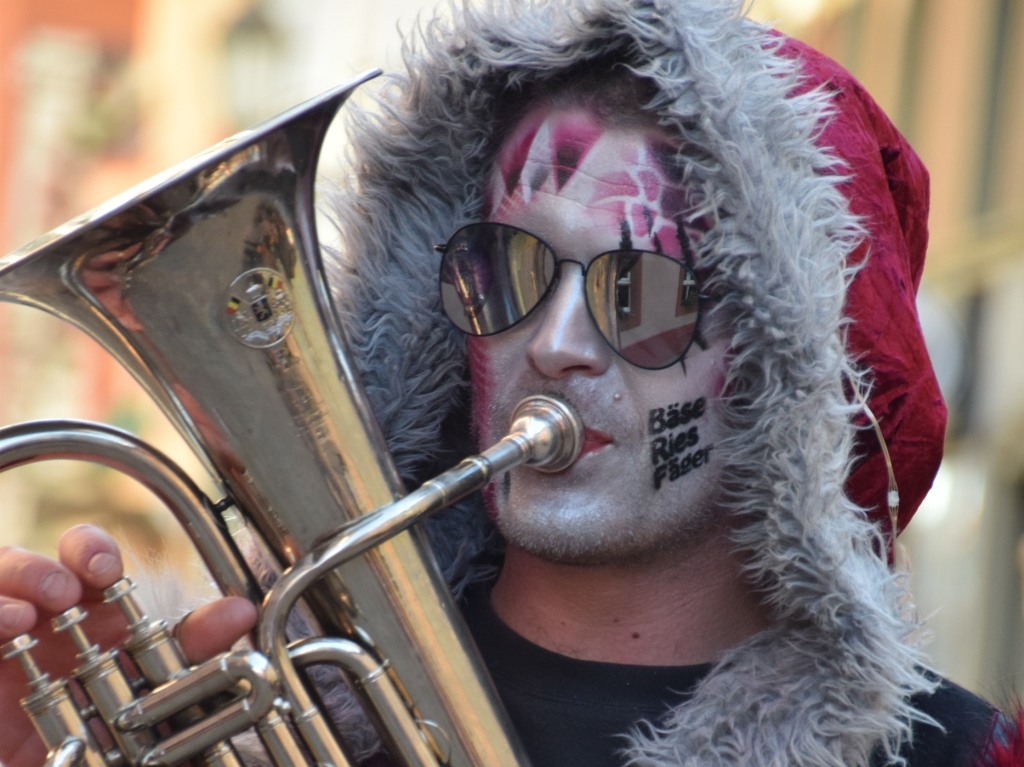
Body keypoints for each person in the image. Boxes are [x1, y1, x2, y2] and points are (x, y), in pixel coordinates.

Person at [0, 0, 1014, 766]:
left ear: (784, 379)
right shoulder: (274, 718)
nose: (555, 341)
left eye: (643, 292)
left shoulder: (958, 755)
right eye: (506, 270)